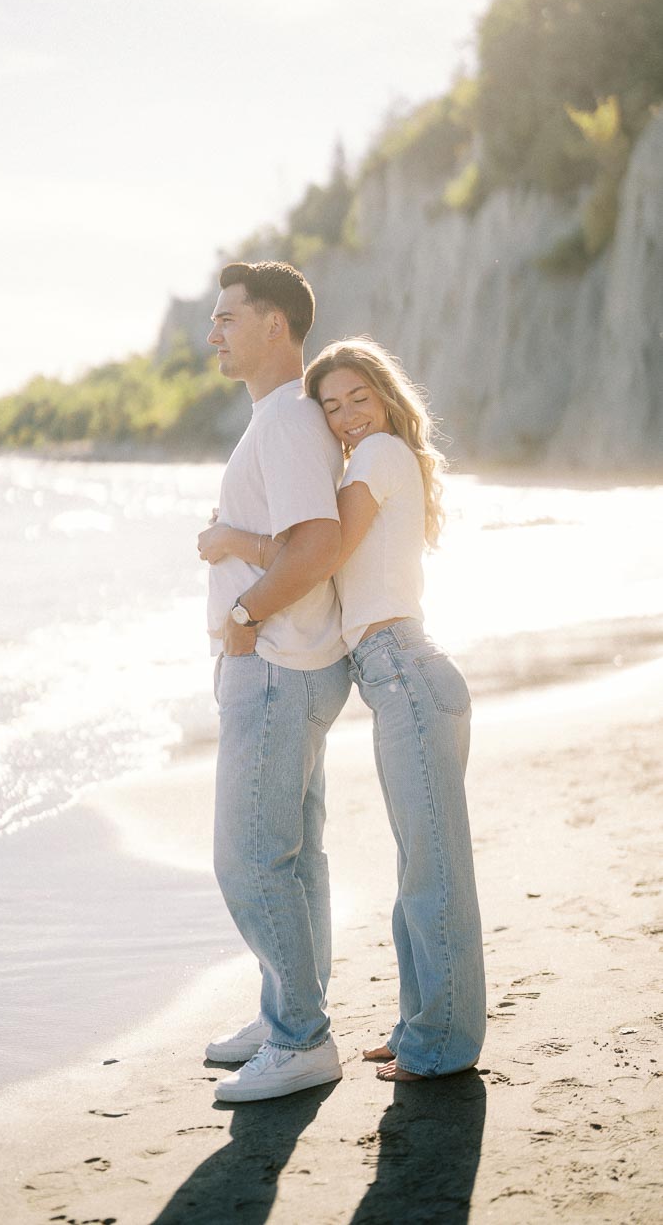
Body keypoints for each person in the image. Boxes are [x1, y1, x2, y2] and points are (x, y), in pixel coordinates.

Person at [200, 336, 486, 1081]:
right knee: (416, 870)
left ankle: (443, 1044)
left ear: (387, 398)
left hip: (406, 674)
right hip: (395, 676)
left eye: (359, 397)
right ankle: (421, 1025)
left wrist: (230, 538)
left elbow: (317, 550)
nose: (348, 415)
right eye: (331, 406)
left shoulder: (381, 456)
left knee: (434, 875)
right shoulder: (374, 461)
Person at [197, 261, 352, 1103]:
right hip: (288, 666)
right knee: (294, 859)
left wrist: (246, 620)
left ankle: (302, 1037)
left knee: (249, 861)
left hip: (277, 667)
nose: (214, 332)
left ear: (276, 328)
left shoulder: (289, 420)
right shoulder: (278, 419)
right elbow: (292, 538)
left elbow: (318, 544)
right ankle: (285, 1011)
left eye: (228, 318)